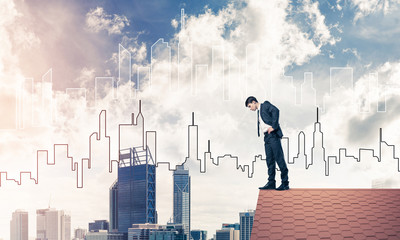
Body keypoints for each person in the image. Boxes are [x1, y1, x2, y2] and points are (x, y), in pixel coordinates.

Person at [245, 96, 289, 191]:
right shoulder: (258, 111)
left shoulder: (265, 105)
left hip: (273, 135)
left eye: (249, 106)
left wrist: (274, 126)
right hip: (267, 137)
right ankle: (271, 183)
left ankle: (285, 183)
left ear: (253, 102)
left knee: (279, 158)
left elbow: (276, 111)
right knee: (269, 160)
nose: (250, 108)